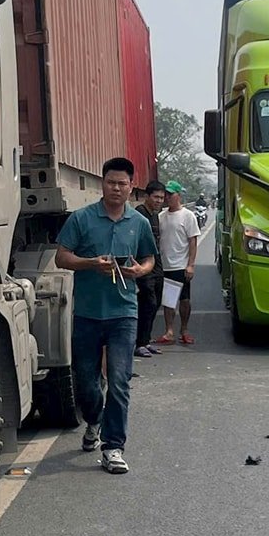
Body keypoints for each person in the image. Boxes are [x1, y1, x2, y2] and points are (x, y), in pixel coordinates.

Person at [54, 157, 156, 474]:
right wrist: (90, 264)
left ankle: (113, 448)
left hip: (123, 313)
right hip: (87, 313)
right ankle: (94, 420)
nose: (116, 188)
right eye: (111, 182)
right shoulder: (82, 219)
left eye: (122, 183)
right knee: (86, 384)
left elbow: (149, 258)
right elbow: (61, 258)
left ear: (130, 187)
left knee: (120, 381)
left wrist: (140, 270)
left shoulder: (138, 223)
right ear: (103, 184)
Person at [155, 181, 201, 346]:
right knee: (168, 301)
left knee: (184, 300)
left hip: (181, 265)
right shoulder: (161, 216)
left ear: (178, 195)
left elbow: (192, 241)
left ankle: (184, 330)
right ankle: (169, 331)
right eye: (165, 195)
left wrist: (191, 264)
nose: (167, 198)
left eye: (170, 194)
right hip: (165, 265)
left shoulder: (188, 215)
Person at [135, 181, 167, 357]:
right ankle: (138, 343)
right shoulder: (139, 214)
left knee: (157, 301)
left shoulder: (155, 215)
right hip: (143, 263)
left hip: (156, 262)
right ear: (147, 196)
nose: (159, 201)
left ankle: (146, 341)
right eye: (156, 197)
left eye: (161, 198)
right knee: (148, 303)